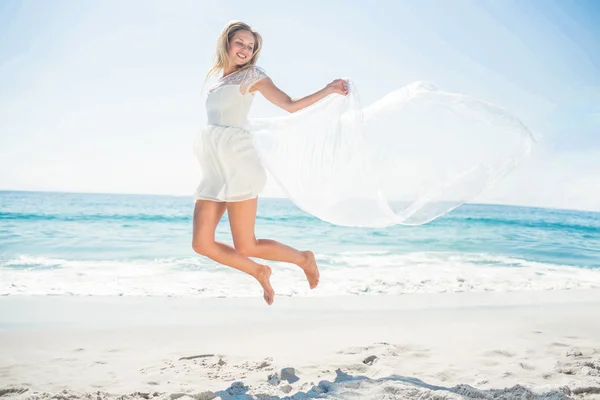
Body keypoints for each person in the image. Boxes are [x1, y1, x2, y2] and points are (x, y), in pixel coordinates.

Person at [192, 21, 347, 305]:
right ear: (226, 43)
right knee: (201, 243)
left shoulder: (253, 75)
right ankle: (259, 271)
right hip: (214, 166)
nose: (245, 50)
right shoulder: (218, 79)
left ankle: (303, 258)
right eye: (240, 43)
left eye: (250, 47)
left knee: (246, 243)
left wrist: (327, 90)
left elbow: (288, 104)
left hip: (239, 164)